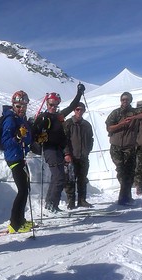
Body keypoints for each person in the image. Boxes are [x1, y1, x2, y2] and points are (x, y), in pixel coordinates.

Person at [33, 83, 84, 212]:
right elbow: (34, 131)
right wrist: (39, 134)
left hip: (58, 150)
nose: (53, 107)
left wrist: (79, 93)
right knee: (59, 177)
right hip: (49, 149)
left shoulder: (59, 116)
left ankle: (50, 204)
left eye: (55, 105)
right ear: (47, 104)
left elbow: (72, 106)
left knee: (56, 177)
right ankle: (52, 205)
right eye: (51, 104)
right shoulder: (43, 117)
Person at [105, 92, 142, 205]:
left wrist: (133, 117)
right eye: (123, 100)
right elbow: (109, 128)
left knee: (130, 173)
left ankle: (126, 197)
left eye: (127, 99)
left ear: (130, 100)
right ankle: (124, 198)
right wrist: (121, 124)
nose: (124, 101)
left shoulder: (135, 111)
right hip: (116, 147)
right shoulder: (115, 113)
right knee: (121, 172)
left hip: (129, 147)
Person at [1, 91, 33, 233]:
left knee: (25, 190)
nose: (21, 109)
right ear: (13, 105)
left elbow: (27, 139)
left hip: (20, 156)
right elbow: (5, 142)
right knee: (22, 190)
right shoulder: (10, 120)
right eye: (18, 106)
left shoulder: (21, 119)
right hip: (13, 158)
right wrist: (17, 138)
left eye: (24, 106)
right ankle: (14, 224)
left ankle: (20, 220)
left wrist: (26, 137)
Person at [63, 102, 94, 209]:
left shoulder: (87, 125)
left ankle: (82, 200)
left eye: (81, 109)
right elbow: (64, 140)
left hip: (83, 157)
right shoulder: (68, 123)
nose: (79, 111)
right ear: (74, 110)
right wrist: (66, 153)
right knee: (70, 180)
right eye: (77, 109)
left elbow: (91, 139)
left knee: (82, 179)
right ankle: (71, 201)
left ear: (84, 110)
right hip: (71, 157)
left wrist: (87, 150)